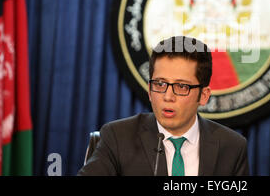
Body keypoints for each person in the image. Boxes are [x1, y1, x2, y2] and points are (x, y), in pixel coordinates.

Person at [78, 36, 249, 176]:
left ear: (203, 96)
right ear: (150, 91)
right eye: (160, 84)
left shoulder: (232, 147)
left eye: (182, 86)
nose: (168, 96)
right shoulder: (118, 137)